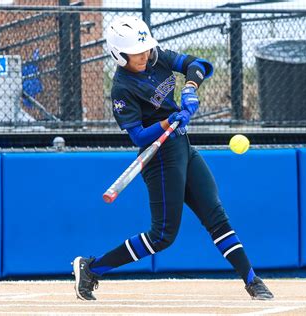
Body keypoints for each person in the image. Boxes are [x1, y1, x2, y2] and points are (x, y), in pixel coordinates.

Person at [72, 16, 273, 301]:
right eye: (136, 53)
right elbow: (139, 136)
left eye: (144, 49)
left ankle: (252, 281)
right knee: (162, 236)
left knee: (216, 215)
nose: (143, 55)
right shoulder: (122, 89)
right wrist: (168, 121)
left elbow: (201, 65)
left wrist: (189, 88)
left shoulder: (157, 57)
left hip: (182, 147)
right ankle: (92, 268)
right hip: (159, 159)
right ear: (120, 54)